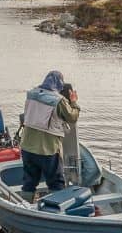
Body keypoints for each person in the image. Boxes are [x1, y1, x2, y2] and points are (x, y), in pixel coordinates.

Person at [18, 70, 80, 202]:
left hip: (27, 147)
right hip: (48, 150)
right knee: (56, 183)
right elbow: (72, 117)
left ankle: (25, 206)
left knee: (29, 182)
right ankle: (56, 211)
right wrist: (73, 102)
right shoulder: (59, 101)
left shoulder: (31, 94)